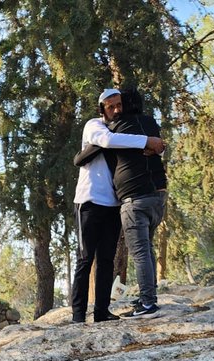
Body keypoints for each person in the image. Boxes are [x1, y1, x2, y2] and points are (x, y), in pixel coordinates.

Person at [69, 88, 165, 324]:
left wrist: (154, 146)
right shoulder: (95, 126)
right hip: (89, 201)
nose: (116, 110)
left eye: (119, 105)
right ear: (102, 109)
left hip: (114, 203)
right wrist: (147, 141)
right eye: (110, 106)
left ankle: (101, 312)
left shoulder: (125, 129)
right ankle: (78, 315)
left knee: (107, 261)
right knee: (85, 259)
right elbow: (106, 140)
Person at [103, 87, 168, 319]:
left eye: (119, 105)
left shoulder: (118, 128)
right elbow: (159, 144)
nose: (116, 109)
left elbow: (105, 140)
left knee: (140, 252)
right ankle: (149, 297)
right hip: (158, 196)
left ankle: (148, 303)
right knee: (147, 248)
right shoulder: (150, 124)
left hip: (134, 198)